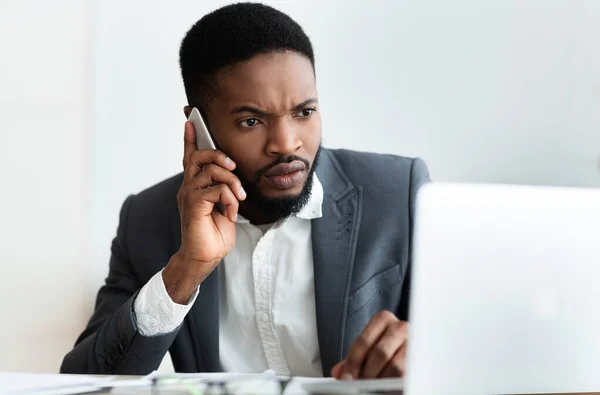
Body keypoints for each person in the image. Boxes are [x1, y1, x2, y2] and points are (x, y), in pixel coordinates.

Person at [61, 2, 429, 379]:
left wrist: (425, 353)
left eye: (304, 112)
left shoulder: (399, 195)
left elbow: (472, 341)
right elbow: (84, 381)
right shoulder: (147, 220)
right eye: (251, 121)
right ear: (198, 126)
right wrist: (185, 271)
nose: (286, 144)